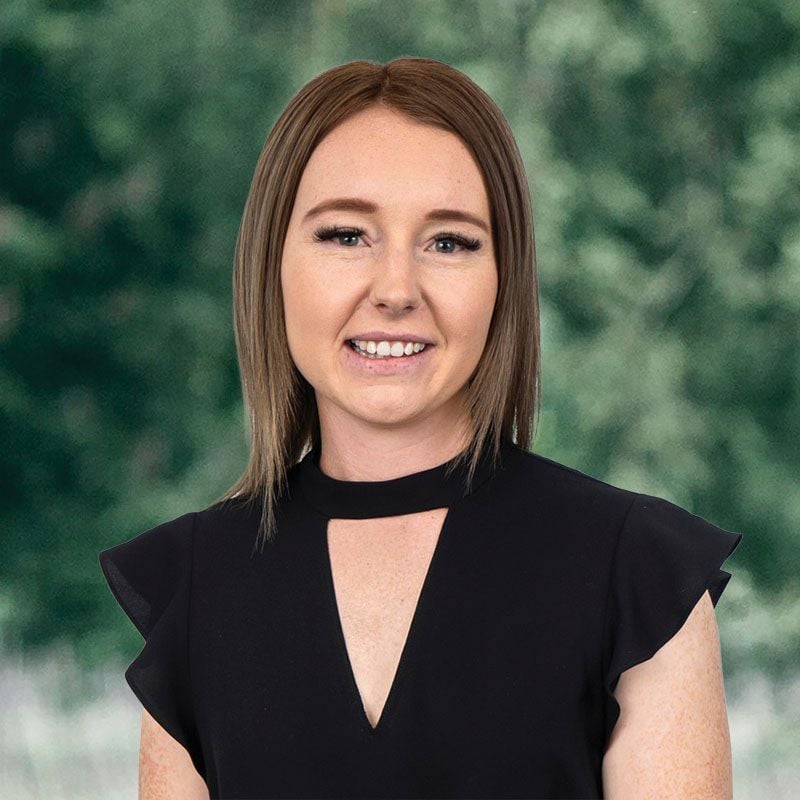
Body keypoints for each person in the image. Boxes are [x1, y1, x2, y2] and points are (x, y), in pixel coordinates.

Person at [98, 57, 743, 799]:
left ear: (505, 278)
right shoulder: (192, 589)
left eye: (449, 242)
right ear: (271, 264)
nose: (396, 290)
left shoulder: (641, 578)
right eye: (346, 235)